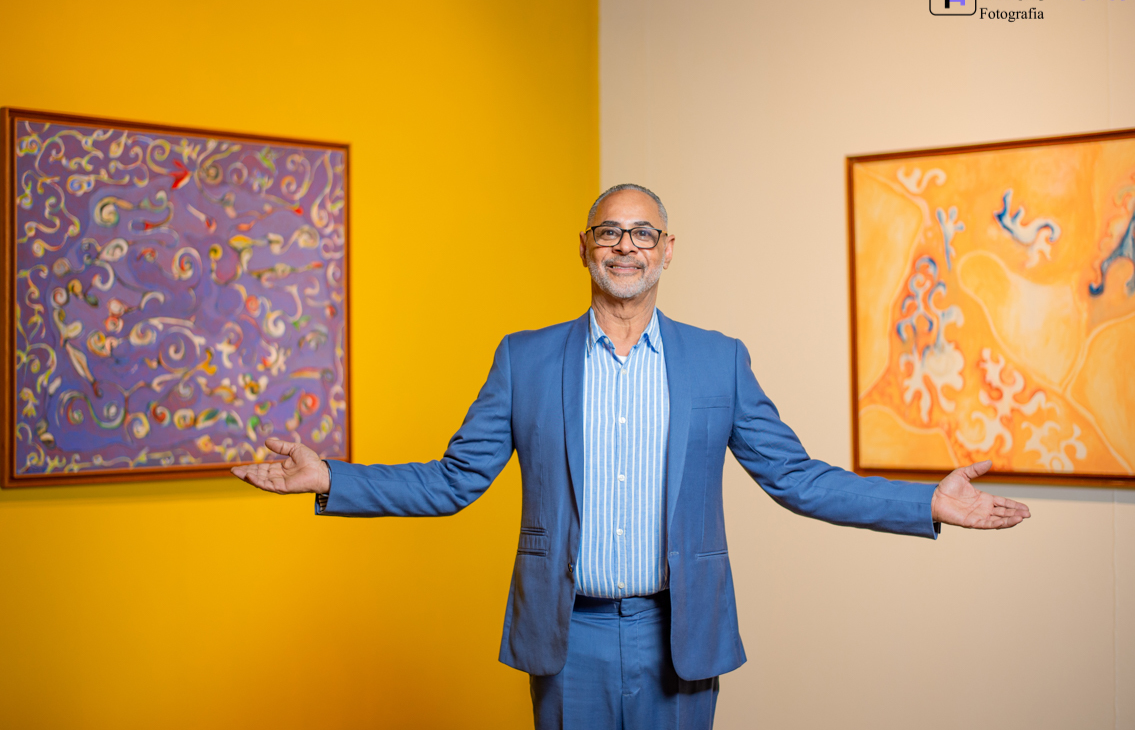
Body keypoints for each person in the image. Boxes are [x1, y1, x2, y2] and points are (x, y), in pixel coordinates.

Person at [233, 184, 1031, 729]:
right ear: (584, 246)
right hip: (566, 635)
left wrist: (924, 502)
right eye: (610, 232)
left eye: (642, 232)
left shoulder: (718, 361)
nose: (626, 246)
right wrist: (330, 476)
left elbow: (794, 476)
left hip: (678, 634)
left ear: (667, 249)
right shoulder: (524, 360)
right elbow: (453, 481)